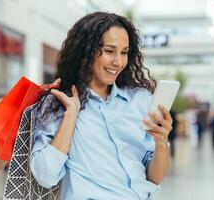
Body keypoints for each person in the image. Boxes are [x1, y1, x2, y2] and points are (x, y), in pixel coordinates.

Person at [30, 12, 173, 200]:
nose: (119, 62)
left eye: (124, 52)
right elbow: (45, 176)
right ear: (86, 51)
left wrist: (161, 142)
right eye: (109, 51)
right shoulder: (59, 104)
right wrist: (71, 116)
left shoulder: (140, 99)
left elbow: (154, 179)